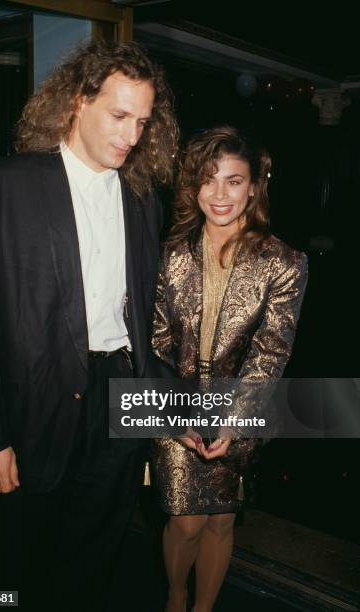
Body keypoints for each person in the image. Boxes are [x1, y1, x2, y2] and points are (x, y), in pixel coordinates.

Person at [0, 38, 178, 610]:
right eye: (119, 115)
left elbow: (145, 316)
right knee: (8, 562)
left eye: (142, 122)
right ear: (79, 101)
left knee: (94, 554)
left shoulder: (141, 197)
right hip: (33, 404)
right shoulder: (2, 185)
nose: (131, 136)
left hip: (118, 396)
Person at [151, 126, 308, 612]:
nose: (219, 194)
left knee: (221, 519)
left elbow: (270, 350)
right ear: (192, 186)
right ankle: (177, 598)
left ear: (254, 187)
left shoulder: (283, 262)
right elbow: (156, 339)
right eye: (207, 180)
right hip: (175, 401)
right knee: (185, 521)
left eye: (233, 181)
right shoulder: (168, 254)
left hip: (244, 406)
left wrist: (234, 419)